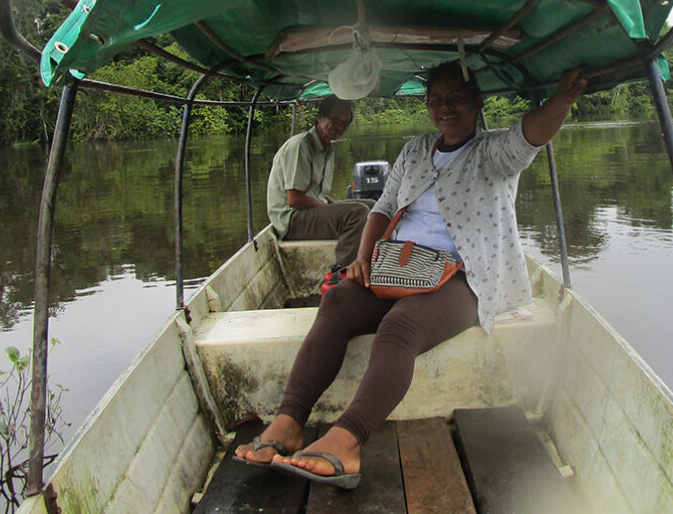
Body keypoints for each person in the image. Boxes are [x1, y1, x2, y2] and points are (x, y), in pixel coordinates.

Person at [236, 62, 586, 488]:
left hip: (465, 278)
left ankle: (347, 440)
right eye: (436, 99)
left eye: (456, 98)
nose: (445, 107)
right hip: (401, 267)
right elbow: (382, 207)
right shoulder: (416, 150)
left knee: (400, 326)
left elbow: (532, 132)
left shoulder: (493, 153)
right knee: (339, 299)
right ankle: (289, 422)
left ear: (476, 102)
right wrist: (363, 258)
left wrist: (564, 98)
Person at [266, 96, 374, 267]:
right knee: (357, 212)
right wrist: (333, 210)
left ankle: (371, 260)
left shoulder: (327, 148)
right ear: (320, 118)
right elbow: (294, 199)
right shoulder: (301, 145)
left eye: (345, 123)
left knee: (371, 205)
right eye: (335, 119)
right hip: (292, 221)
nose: (339, 126)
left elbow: (318, 194)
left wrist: (336, 206)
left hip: (306, 214)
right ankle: (344, 270)